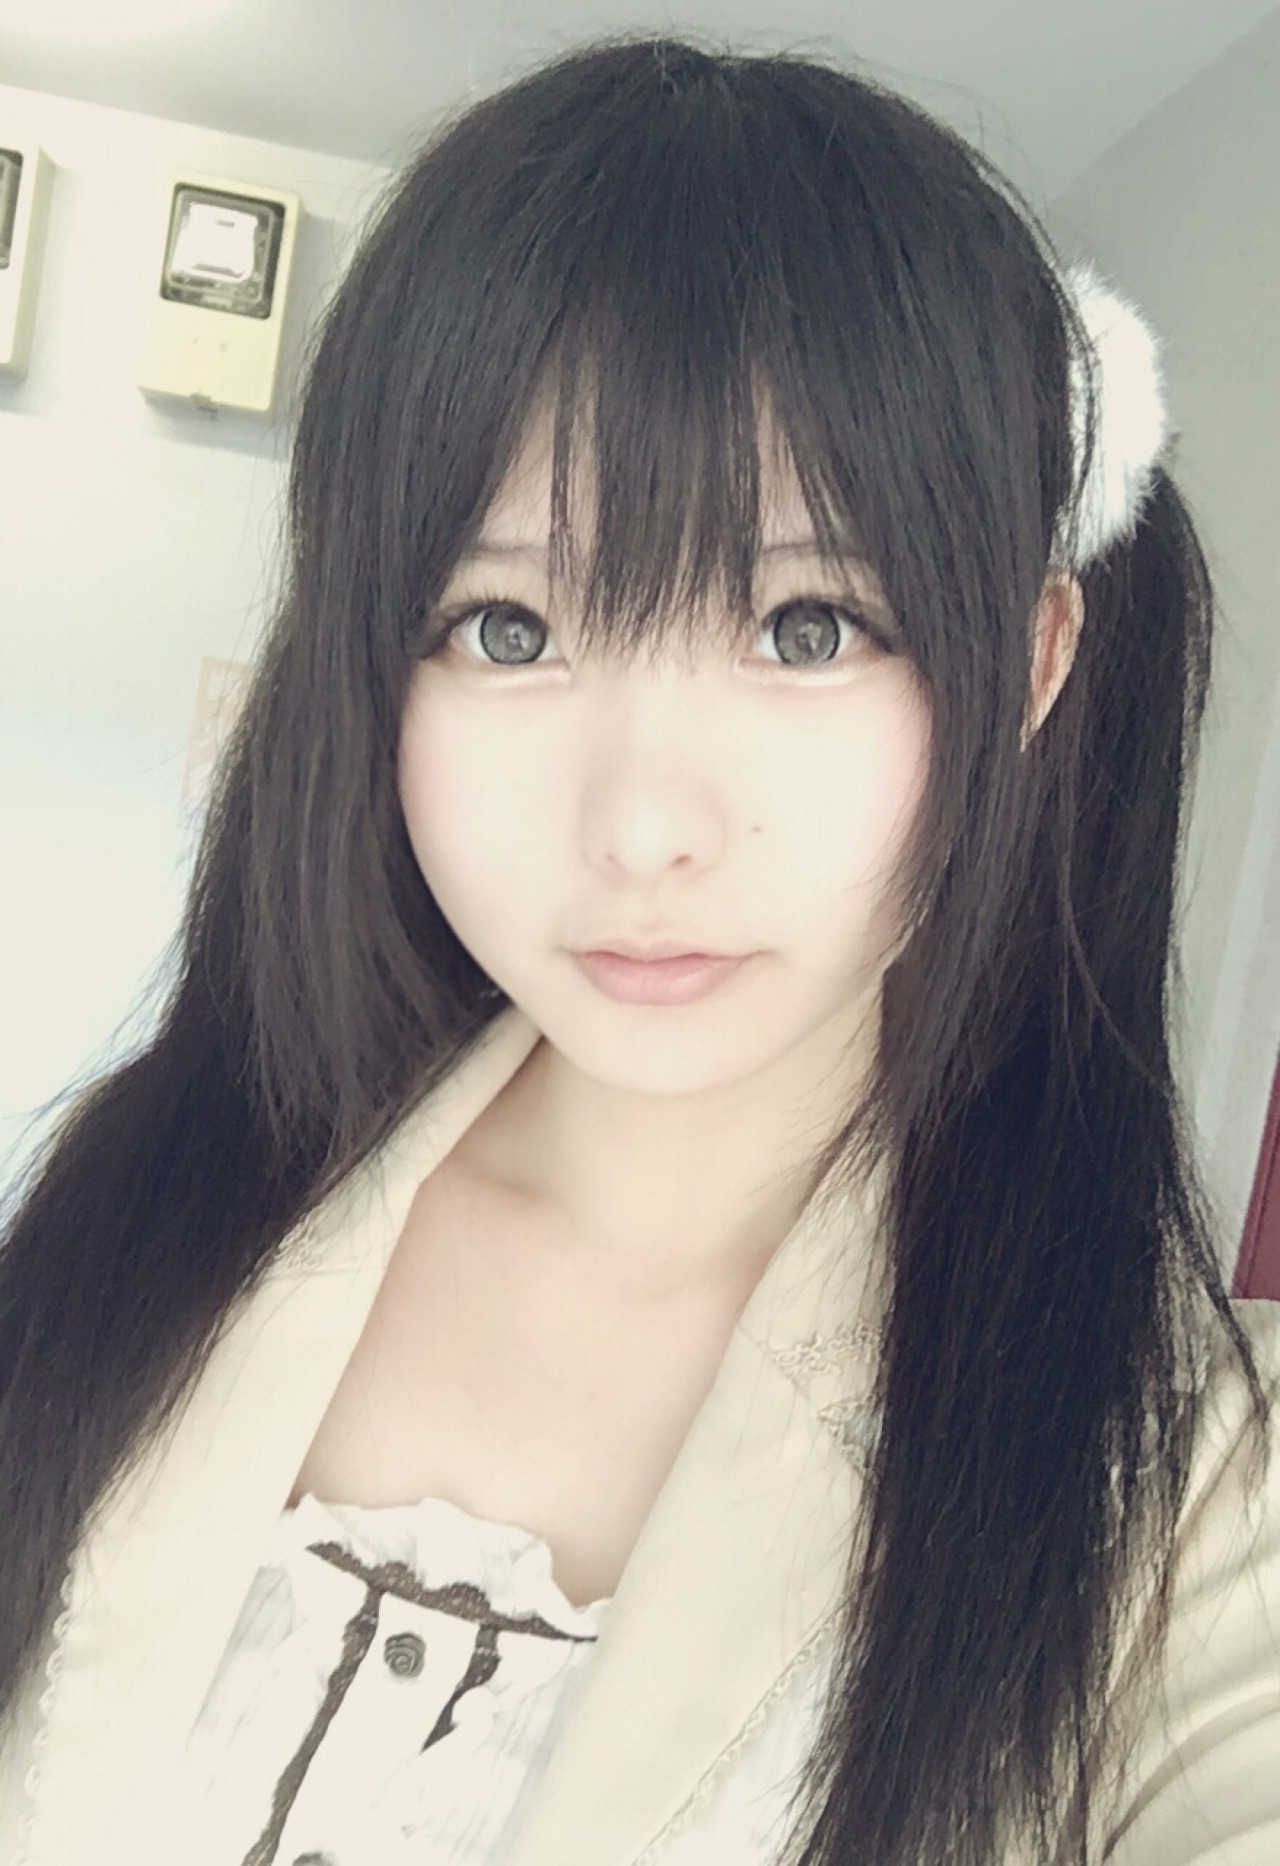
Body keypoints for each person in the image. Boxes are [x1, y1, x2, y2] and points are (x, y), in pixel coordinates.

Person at [1, 32, 1276, 1866]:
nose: (644, 826)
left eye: (809, 624)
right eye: (506, 629)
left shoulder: (1183, 1487)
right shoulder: (148, 1199)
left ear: (1031, 667)